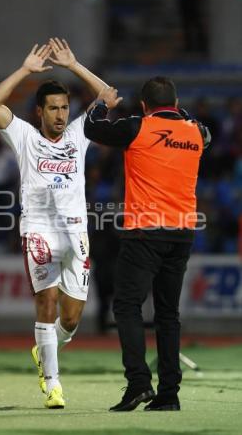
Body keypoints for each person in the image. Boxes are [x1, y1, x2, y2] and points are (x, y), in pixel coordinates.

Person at [0, 38, 109, 409]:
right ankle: (53, 384)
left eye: (64, 108)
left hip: (76, 233)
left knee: (70, 319)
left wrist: (73, 66)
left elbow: (108, 96)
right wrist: (24, 70)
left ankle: (46, 349)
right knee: (47, 303)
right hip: (39, 231)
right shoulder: (23, 137)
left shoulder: (78, 134)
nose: (60, 115)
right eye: (53, 108)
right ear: (39, 112)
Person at [84, 77, 211, 411]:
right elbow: (202, 130)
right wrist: (184, 116)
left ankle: (139, 383)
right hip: (182, 232)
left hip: (145, 232)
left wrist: (101, 103)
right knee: (168, 314)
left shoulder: (137, 126)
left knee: (127, 306)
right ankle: (169, 393)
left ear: (143, 105)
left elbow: (92, 129)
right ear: (177, 102)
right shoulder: (196, 131)